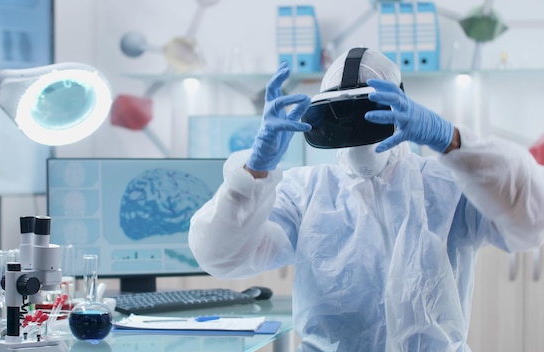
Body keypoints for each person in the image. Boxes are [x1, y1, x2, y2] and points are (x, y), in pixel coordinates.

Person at [187, 47, 544, 351]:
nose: (357, 131)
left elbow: (534, 217)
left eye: (370, 112)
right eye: (342, 117)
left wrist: (450, 139)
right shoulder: (306, 193)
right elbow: (219, 255)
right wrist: (254, 173)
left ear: (400, 106)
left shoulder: (446, 187)